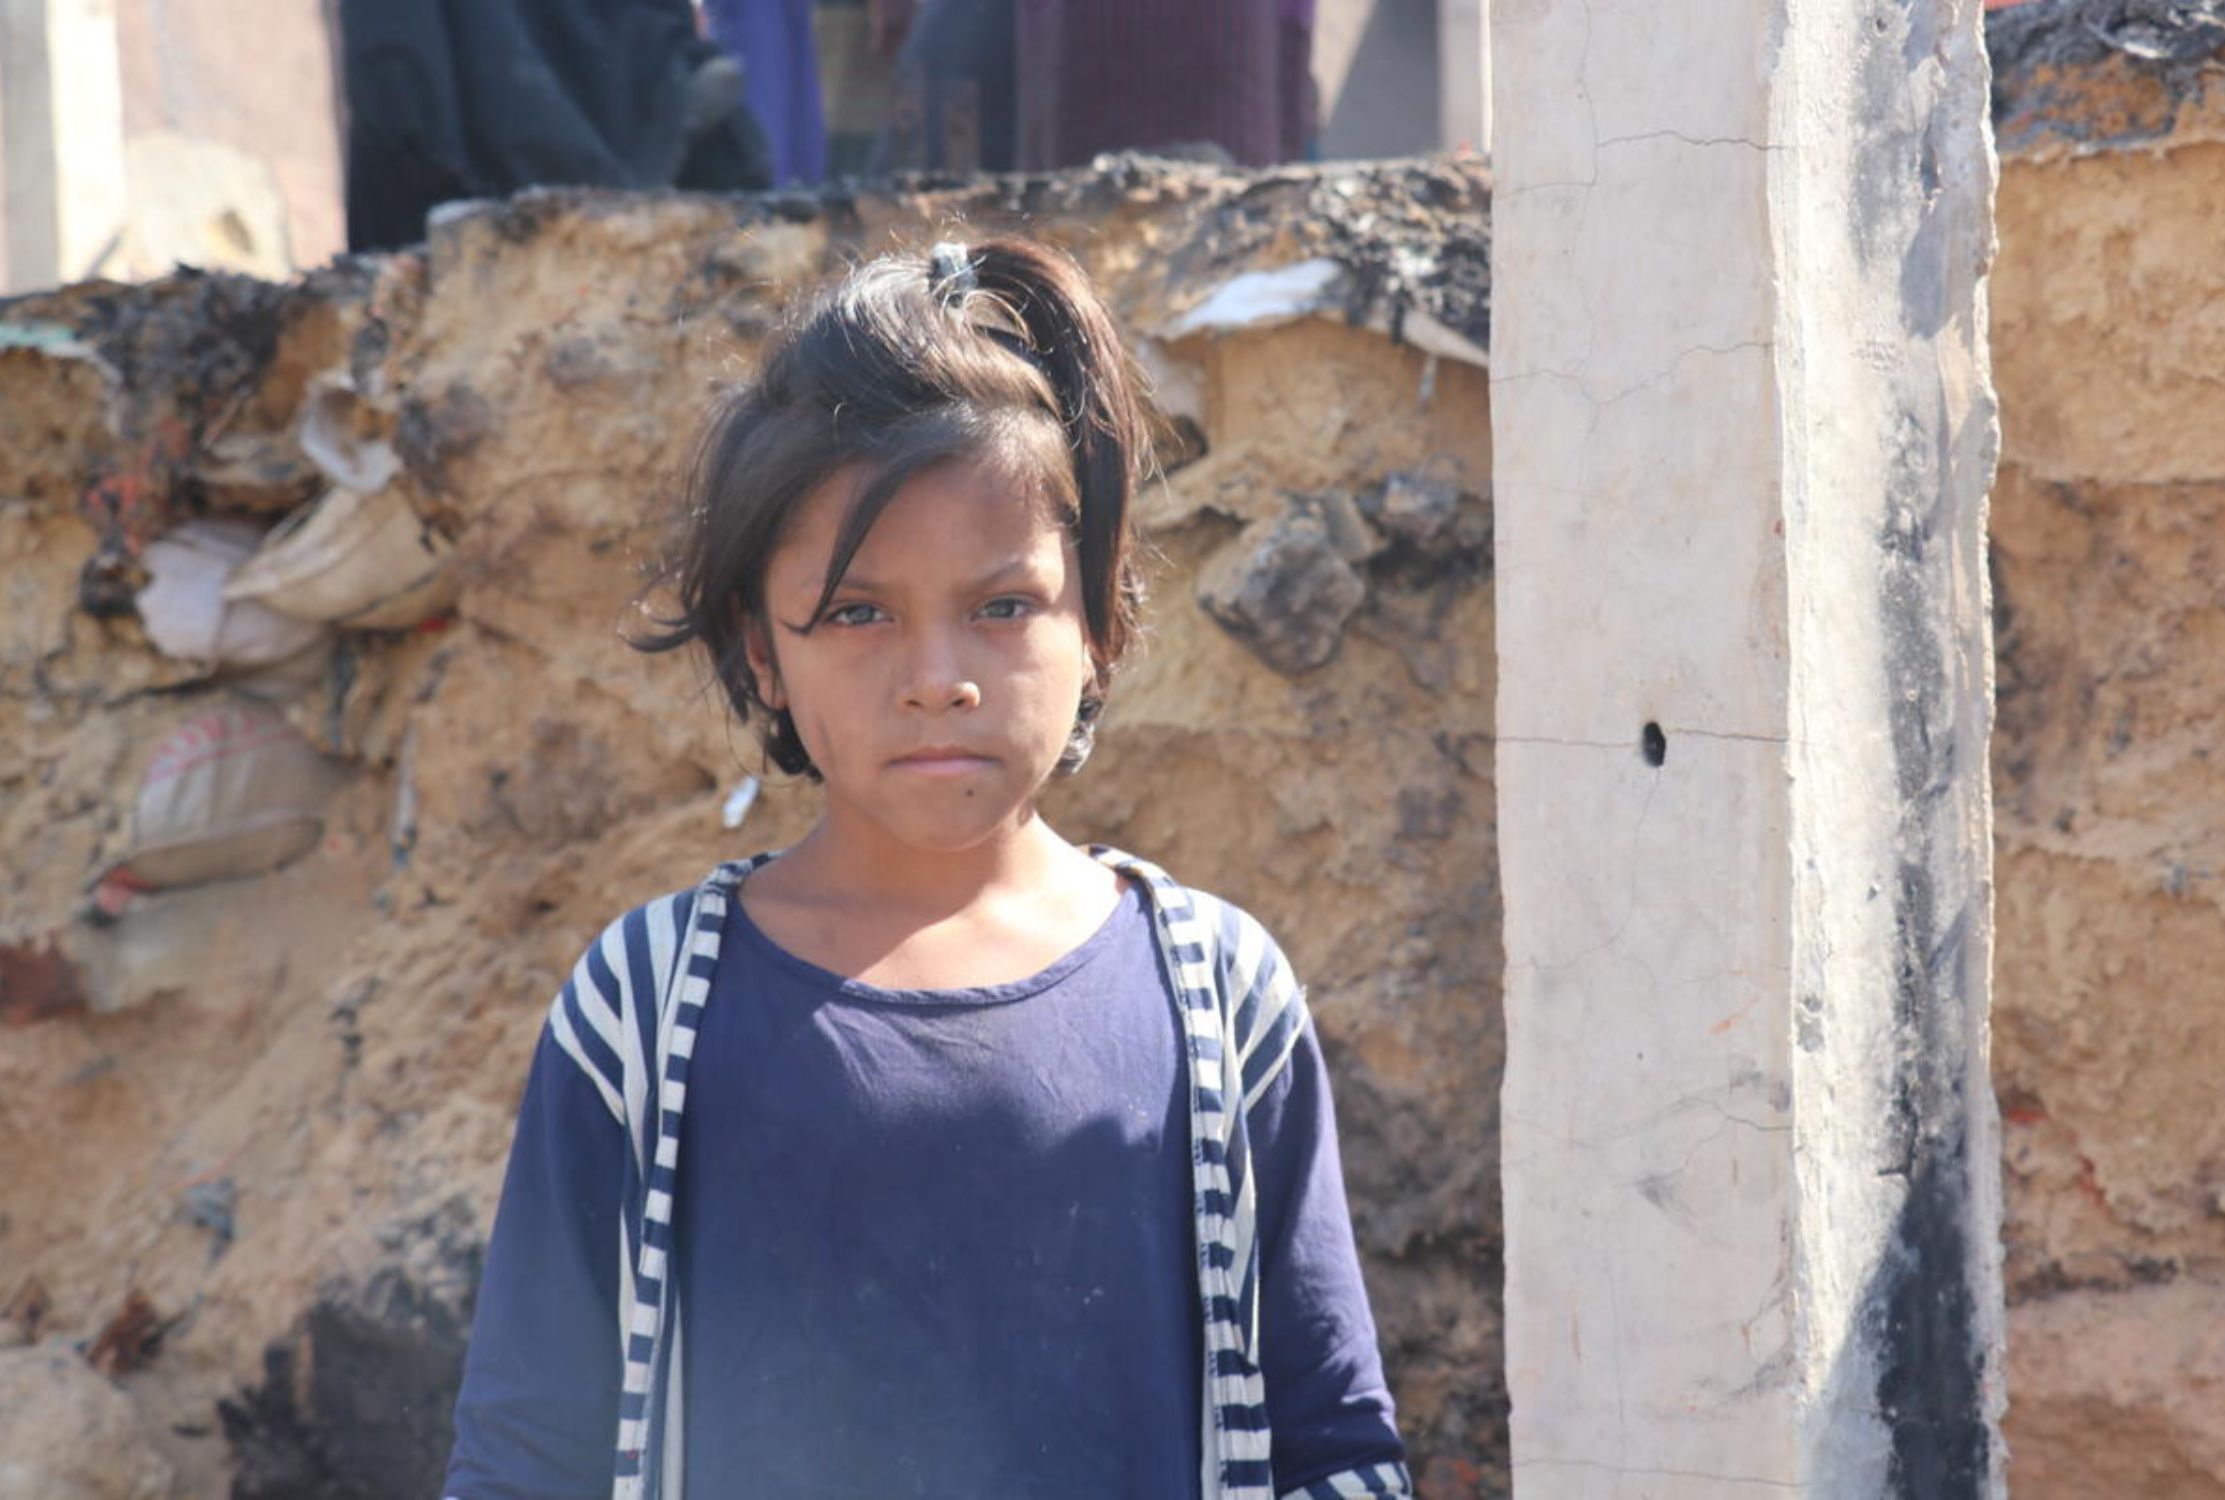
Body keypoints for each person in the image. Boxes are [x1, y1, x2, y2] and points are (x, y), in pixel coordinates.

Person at [438, 237, 1409, 1499]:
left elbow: (1331, 1448)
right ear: (762, 652)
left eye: (1003, 605)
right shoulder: (642, 1011)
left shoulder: (1220, 1001)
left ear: (1099, 625)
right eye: (857, 613)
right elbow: (523, 1460)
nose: (936, 673)